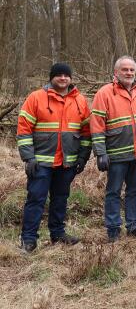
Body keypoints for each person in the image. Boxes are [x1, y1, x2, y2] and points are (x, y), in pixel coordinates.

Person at [17, 63, 91, 252]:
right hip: (40, 162)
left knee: (60, 199)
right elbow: (24, 129)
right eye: (59, 75)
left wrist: (83, 157)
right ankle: (28, 239)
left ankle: (57, 233)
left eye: (66, 75)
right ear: (51, 77)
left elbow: (86, 131)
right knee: (36, 199)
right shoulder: (36, 98)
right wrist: (28, 158)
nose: (63, 78)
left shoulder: (80, 100)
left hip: (67, 162)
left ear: (71, 78)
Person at [91, 56, 136, 241]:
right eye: (125, 69)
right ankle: (113, 229)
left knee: (134, 191)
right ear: (116, 72)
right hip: (116, 153)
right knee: (113, 191)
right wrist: (100, 153)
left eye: (132, 70)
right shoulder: (105, 93)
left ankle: (134, 225)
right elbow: (97, 125)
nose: (129, 73)